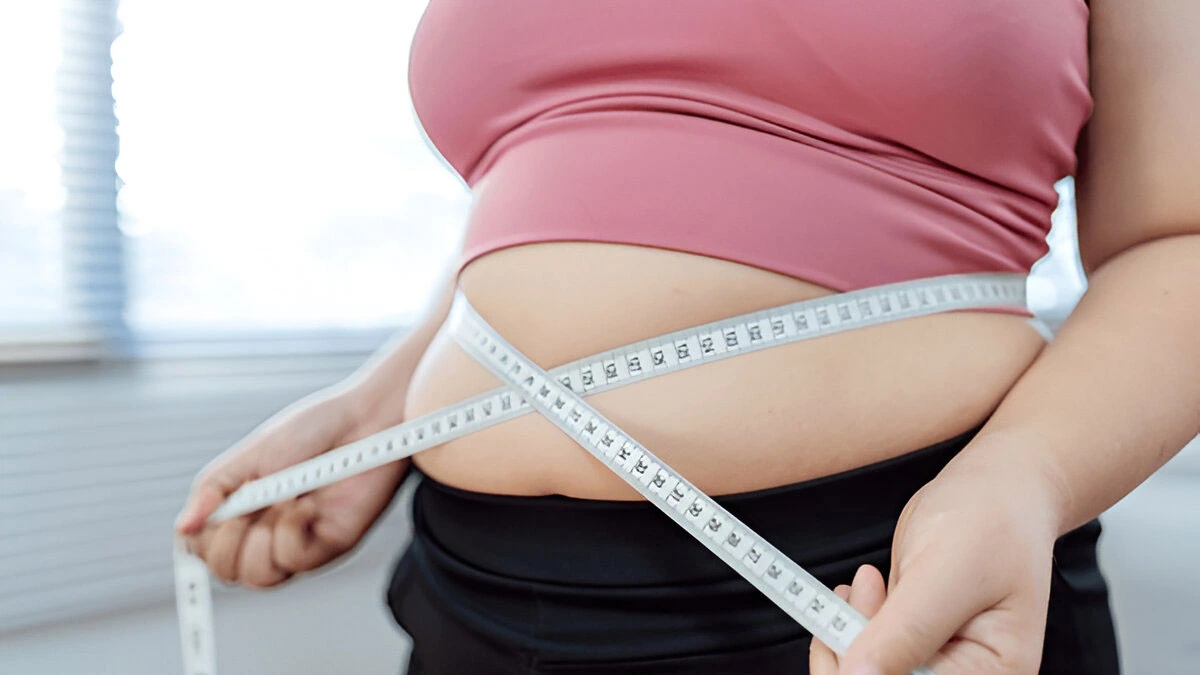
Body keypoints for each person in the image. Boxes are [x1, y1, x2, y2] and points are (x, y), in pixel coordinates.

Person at [175, 1, 1200, 673]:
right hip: (475, 589)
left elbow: (1180, 239)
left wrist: (1024, 480)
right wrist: (372, 405)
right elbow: (571, 182)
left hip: (886, 583)